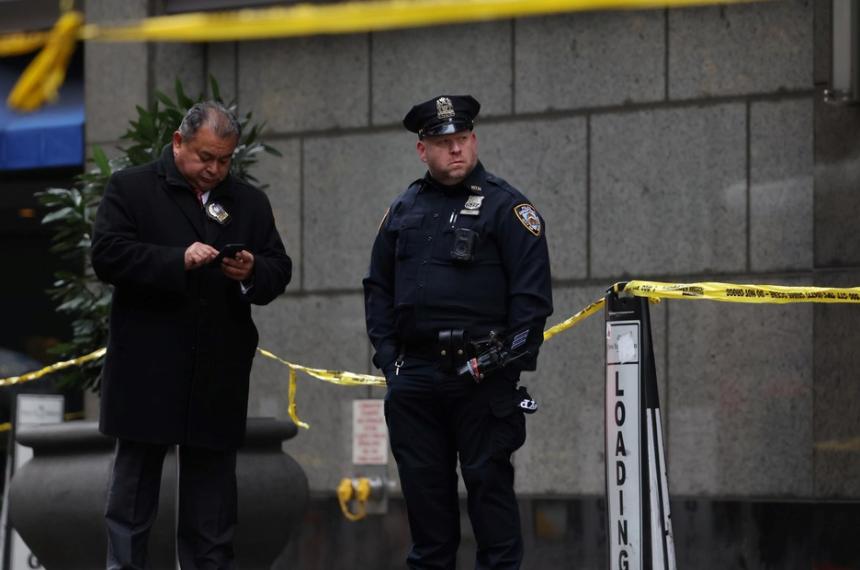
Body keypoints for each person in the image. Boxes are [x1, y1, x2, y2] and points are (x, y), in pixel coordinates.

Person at [91, 101, 292, 569]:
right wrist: (176, 260)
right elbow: (108, 256)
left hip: (216, 373)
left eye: (225, 160)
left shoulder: (248, 201)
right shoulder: (132, 187)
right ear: (178, 142)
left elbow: (278, 270)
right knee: (132, 504)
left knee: (212, 514)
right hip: (147, 370)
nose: (214, 169)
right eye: (205, 157)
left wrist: (251, 270)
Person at [363, 94, 553, 569]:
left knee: (491, 509)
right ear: (421, 149)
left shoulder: (507, 209)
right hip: (417, 380)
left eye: (463, 139)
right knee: (428, 523)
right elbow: (377, 288)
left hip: (483, 379)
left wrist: (500, 368)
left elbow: (531, 307)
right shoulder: (403, 208)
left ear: (474, 140)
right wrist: (391, 362)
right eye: (443, 142)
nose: (455, 150)